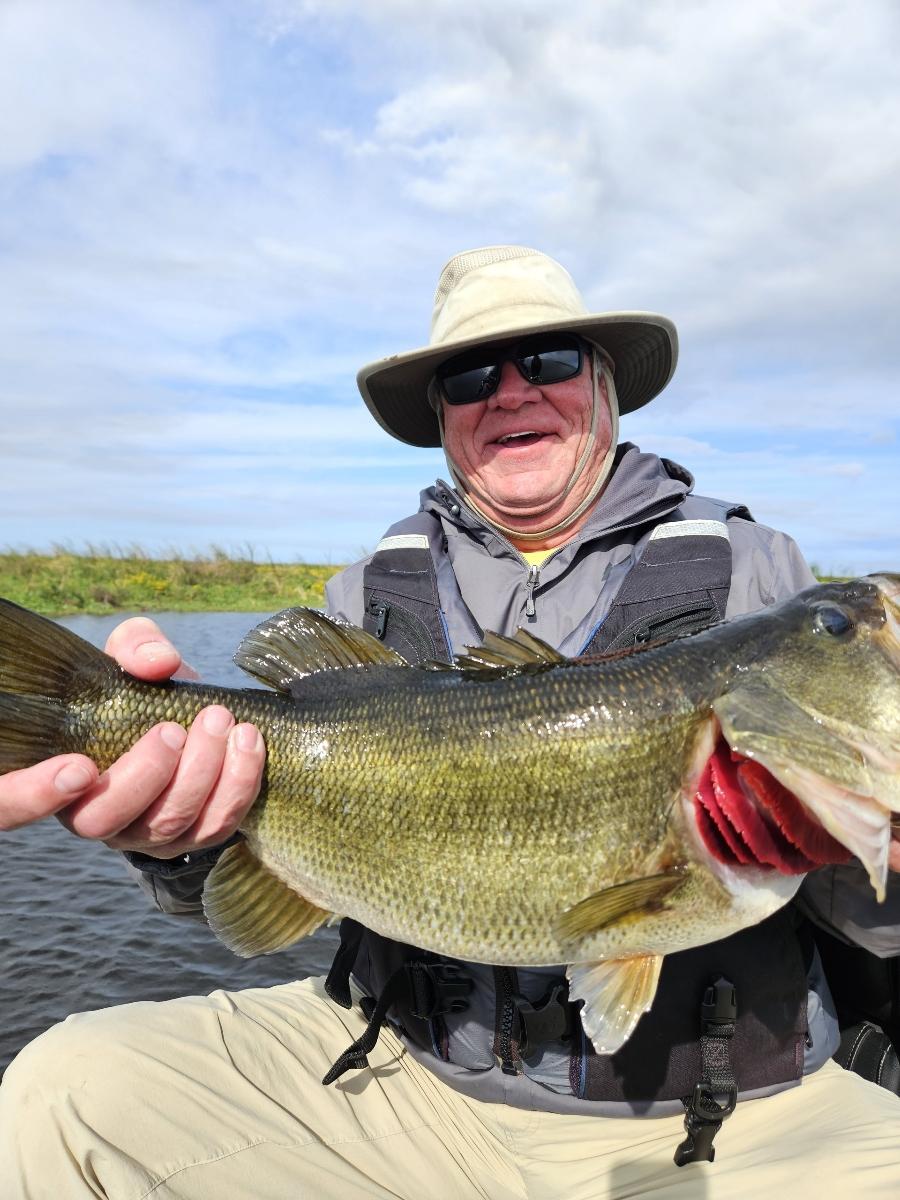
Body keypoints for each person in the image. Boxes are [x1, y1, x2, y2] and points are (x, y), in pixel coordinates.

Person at [1, 245, 899, 1199]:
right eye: (471, 377)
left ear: (605, 387)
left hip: (729, 1124)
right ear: (441, 417)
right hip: (394, 1085)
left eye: (548, 362)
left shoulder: (760, 572)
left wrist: (868, 848)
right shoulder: (364, 596)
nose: (510, 393)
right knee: (63, 1093)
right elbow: (236, 902)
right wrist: (174, 837)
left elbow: (870, 922)